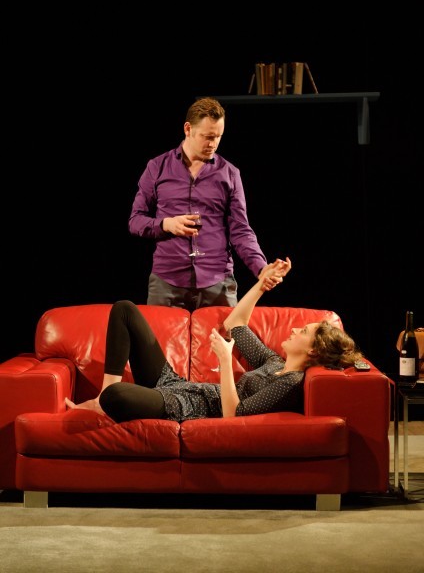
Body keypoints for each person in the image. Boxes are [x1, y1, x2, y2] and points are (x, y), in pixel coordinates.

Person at [65, 257, 365, 423]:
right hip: (180, 385)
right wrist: (262, 285)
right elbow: (235, 324)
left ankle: (107, 400)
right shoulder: (274, 361)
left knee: (118, 396)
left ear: (313, 350)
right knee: (125, 309)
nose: (295, 330)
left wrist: (224, 359)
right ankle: (101, 400)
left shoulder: (290, 383)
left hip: (189, 406)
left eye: (304, 332)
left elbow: (234, 416)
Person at [128, 96, 269, 312]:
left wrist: (261, 268)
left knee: (226, 335)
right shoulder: (157, 167)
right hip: (167, 282)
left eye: (218, 136)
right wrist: (166, 224)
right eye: (207, 136)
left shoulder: (230, 173)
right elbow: (135, 220)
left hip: (217, 281)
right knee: (158, 336)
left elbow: (241, 230)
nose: (213, 144)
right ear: (188, 129)